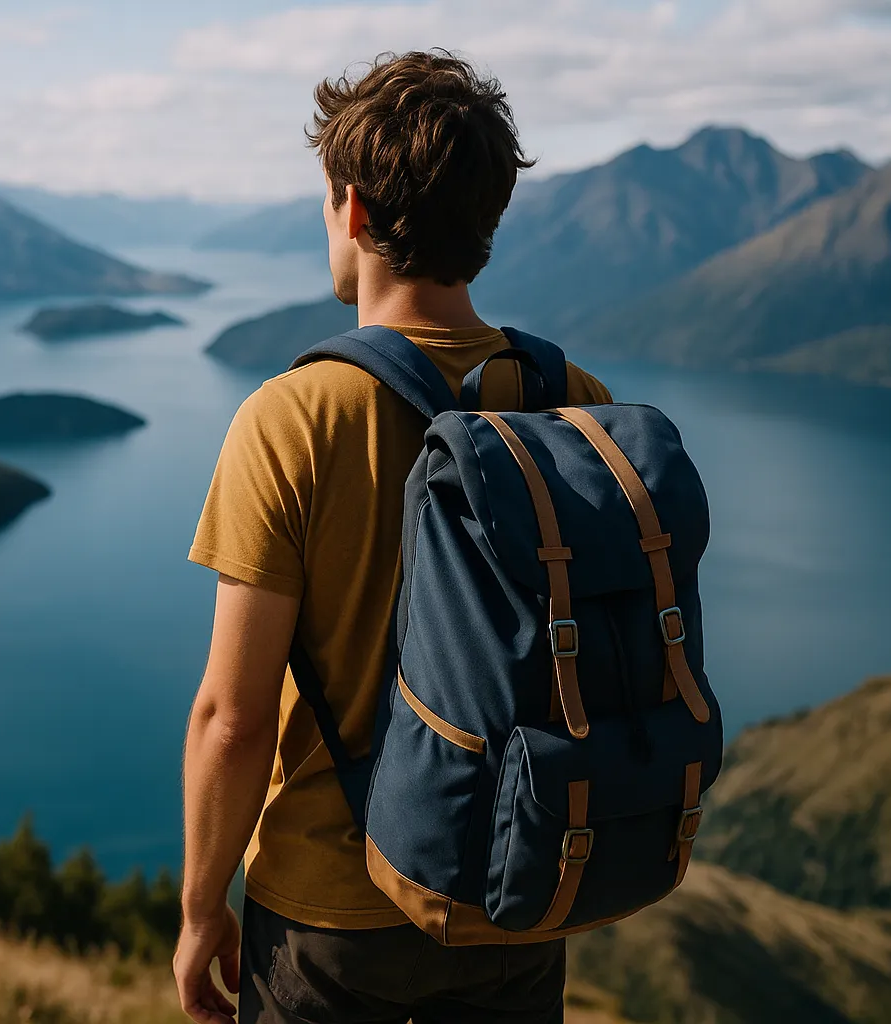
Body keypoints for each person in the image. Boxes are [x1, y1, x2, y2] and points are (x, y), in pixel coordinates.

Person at [176, 50, 615, 1024]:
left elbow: (233, 718)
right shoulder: (576, 402)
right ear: (487, 224)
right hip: (518, 893)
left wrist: (201, 906)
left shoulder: (294, 417)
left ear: (356, 212)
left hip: (328, 922)